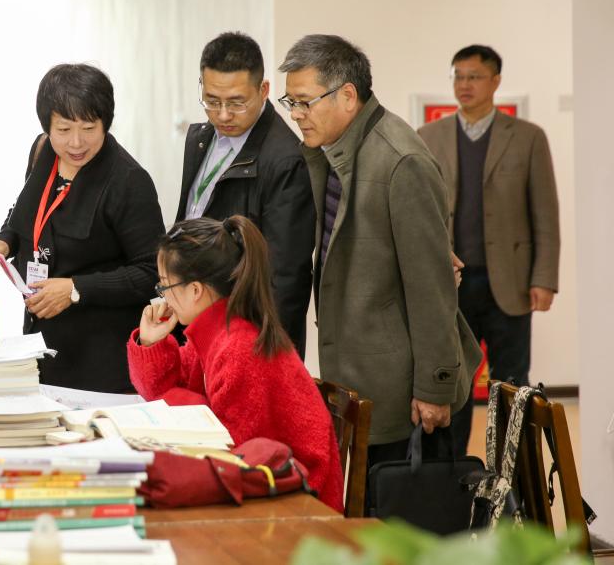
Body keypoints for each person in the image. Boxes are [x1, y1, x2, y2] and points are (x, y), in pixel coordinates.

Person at [277, 34, 481, 466]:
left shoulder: (399, 161)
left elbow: (432, 288)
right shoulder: (335, 152)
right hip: (360, 377)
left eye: (304, 102)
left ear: (348, 96)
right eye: (290, 102)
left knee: (397, 503)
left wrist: (434, 387)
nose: (295, 114)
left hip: (401, 391)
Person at [127, 215, 344, 512]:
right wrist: (151, 343)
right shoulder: (215, 330)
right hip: (262, 485)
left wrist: (188, 405)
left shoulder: (240, 349)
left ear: (195, 290)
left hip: (301, 501)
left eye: (165, 286)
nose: (163, 297)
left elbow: (232, 452)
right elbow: (163, 393)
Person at [0, 63, 165, 393]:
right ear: (47, 127)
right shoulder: (44, 151)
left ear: (105, 123)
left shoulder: (129, 181)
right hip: (43, 347)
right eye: (63, 129)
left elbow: (152, 272)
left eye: (89, 128)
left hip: (101, 360)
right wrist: (5, 242)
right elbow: (26, 209)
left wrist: (76, 289)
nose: (76, 143)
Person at [418, 44, 560, 455]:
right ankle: (454, 472)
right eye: (458, 76)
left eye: (474, 76)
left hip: (510, 283)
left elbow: (545, 213)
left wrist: (544, 278)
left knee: (511, 384)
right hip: (451, 283)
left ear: (496, 81)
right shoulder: (429, 137)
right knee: (453, 381)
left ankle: (512, 473)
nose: (465, 85)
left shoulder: (528, 138)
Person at [177, 32, 315, 356]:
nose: (223, 114)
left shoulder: (286, 160)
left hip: (245, 336)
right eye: (212, 101)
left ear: (263, 90)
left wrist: (263, 354)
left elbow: (285, 277)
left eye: (237, 102)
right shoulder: (200, 138)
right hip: (198, 322)